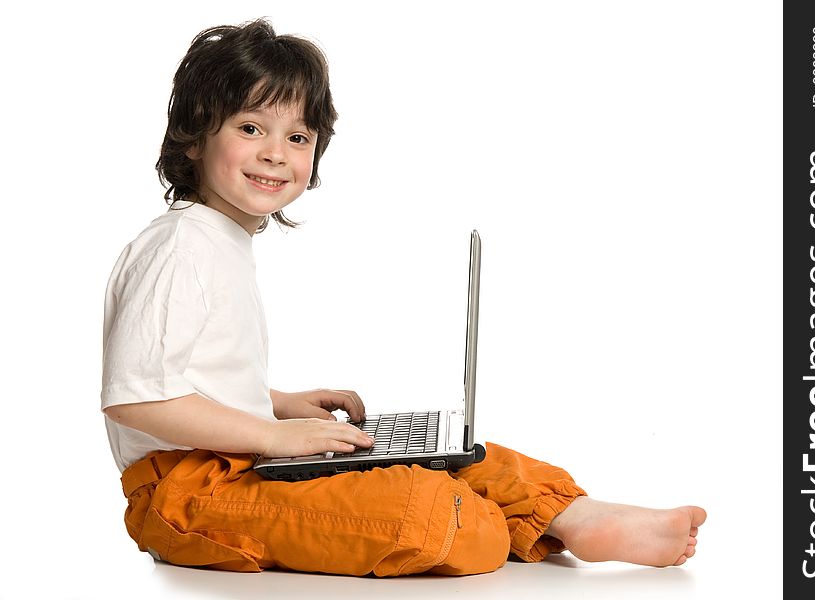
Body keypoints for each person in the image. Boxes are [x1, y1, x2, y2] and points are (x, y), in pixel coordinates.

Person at [101, 18, 706, 576]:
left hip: (235, 462)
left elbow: (188, 375)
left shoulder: (220, 241)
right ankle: (490, 515)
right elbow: (138, 400)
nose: (275, 153)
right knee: (449, 519)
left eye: (298, 136)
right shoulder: (182, 246)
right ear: (192, 139)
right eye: (250, 127)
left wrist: (277, 404)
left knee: (468, 454)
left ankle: (579, 518)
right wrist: (272, 437)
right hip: (185, 493)